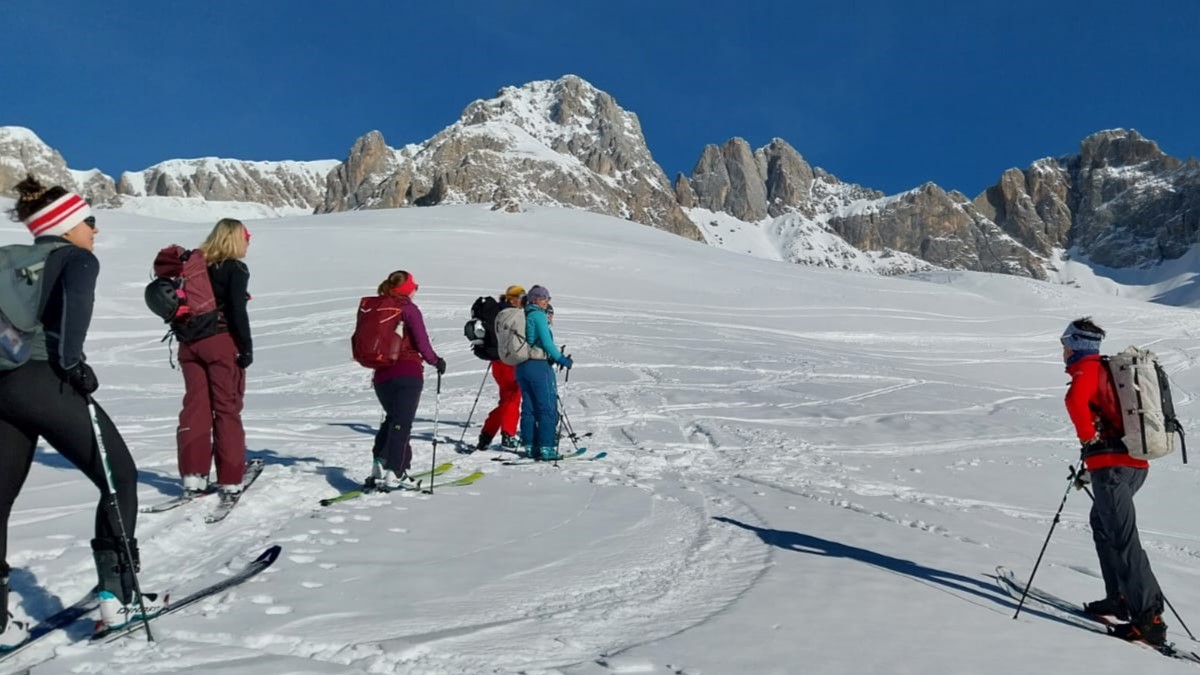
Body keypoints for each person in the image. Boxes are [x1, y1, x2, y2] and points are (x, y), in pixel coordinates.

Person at [0, 176, 161, 637]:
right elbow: (76, 306)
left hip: (2, 386)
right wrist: (73, 364)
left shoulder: (13, 261)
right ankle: (118, 599)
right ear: (67, 225)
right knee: (119, 477)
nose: (95, 230)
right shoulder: (75, 258)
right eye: (89, 221)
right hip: (45, 383)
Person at [1062, 317, 1166, 645]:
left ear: (1076, 344)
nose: (1062, 350)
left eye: (1065, 343)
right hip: (1132, 465)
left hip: (1113, 467)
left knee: (1123, 540)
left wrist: (1088, 442)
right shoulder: (1105, 370)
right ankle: (1119, 598)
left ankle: (1148, 620)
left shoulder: (1088, 368)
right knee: (1104, 526)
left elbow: (1075, 402)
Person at [176, 218, 253, 504]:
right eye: (246, 237)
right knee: (226, 408)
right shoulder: (234, 268)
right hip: (220, 343)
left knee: (195, 408)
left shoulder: (192, 266)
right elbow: (236, 310)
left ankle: (193, 476)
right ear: (236, 239)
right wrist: (245, 347)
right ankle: (231, 479)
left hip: (188, 344)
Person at [369, 271, 444, 489]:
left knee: (392, 419)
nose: (416, 288)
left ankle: (379, 463)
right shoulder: (408, 309)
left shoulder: (378, 307)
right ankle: (397, 471)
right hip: (407, 372)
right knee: (402, 423)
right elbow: (421, 342)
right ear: (406, 288)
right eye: (414, 285)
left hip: (381, 374)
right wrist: (435, 361)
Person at [516, 285, 572, 461]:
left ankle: (530, 446)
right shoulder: (538, 315)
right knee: (547, 407)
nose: (546, 301)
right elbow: (547, 344)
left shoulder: (523, 314)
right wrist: (562, 360)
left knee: (529, 408)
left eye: (547, 298)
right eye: (544, 298)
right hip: (538, 366)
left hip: (521, 366)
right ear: (534, 300)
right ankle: (546, 448)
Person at [476, 285, 525, 452]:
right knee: (513, 397)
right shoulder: (512, 314)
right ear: (511, 298)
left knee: (506, 399)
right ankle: (508, 435)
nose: (523, 299)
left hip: (497, 363)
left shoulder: (496, 313)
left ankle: (487, 434)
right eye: (520, 296)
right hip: (509, 362)